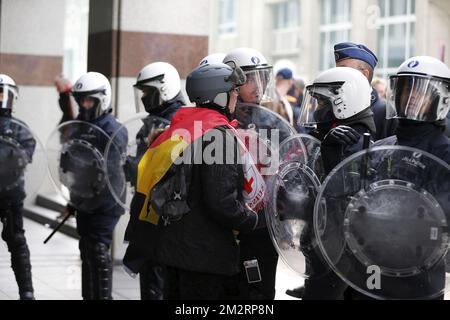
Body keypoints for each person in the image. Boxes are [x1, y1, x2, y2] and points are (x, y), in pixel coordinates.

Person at [123, 63, 263, 299]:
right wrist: (253, 220)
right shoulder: (218, 136)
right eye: (234, 92)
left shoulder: (181, 128)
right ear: (219, 96)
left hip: (174, 251)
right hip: (205, 256)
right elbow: (222, 203)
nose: (236, 97)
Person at [354, 55, 450, 300]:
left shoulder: (444, 153)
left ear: (440, 99)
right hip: (371, 266)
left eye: (422, 91)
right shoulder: (382, 146)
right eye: (406, 89)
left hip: (420, 273)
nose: (411, 97)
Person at [295, 66, 375, 299]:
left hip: (338, 246)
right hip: (324, 240)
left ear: (343, 102)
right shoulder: (332, 134)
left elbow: (344, 197)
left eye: (321, 103)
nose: (317, 110)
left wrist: (330, 154)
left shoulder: (354, 140)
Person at [57, 72, 127, 300]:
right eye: (82, 100)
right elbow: (75, 164)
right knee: (86, 251)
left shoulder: (113, 128)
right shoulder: (79, 126)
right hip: (85, 199)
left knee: (98, 251)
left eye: (90, 100)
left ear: (102, 99)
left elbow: (112, 169)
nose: (85, 105)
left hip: (106, 202)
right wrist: (73, 199)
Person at [223, 47, 280, 300]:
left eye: (262, 78)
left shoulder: (273, 120)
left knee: (260, 292)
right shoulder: (219, 119)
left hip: (263, 226)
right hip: (229, 225)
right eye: (249, 79)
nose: (258, 86)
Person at [125, 61, 184, 300]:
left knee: (159, 284)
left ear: (165, 88)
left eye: (148, 92)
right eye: (142, 93)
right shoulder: (151, 122)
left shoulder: (180, 122)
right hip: (147, 213)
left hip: (163, 216)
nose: (144, 98)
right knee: (149, 281)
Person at [0, 74, 36, 300]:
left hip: (11, 195)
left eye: (3, 93)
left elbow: (25, 156)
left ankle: (27, 290)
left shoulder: (20, 129)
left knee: (17, 242)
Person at [334, 42, 396, 140]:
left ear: (364, 75)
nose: (336, 76)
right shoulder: (334, 106)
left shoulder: (385, 112)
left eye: (343, 71)